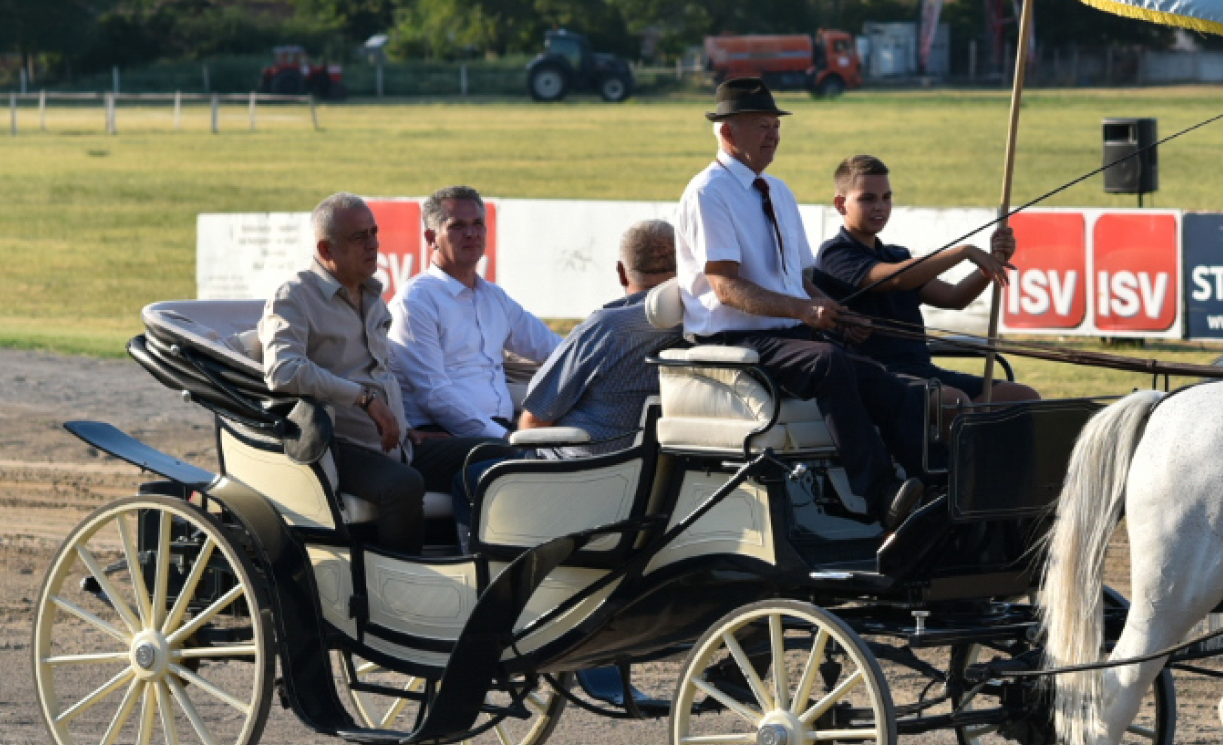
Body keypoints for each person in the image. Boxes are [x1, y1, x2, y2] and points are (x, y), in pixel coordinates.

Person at [676, 78, 930, 530]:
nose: (773, 135)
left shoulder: (779, 189)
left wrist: (835, 312)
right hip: (736, 337)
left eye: (776, 125)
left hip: (783, 331)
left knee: (888, 382)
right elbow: (725, 288)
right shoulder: (707, 192)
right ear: (728, 133)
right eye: (761, 126)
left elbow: (802, 279)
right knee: (830, 363)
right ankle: (881, 497)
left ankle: (930, 487)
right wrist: (803, 312)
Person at [259, 193, 475, 553]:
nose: (374, 244)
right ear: (326, 249)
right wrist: (363, 400)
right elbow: (282, 370)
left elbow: (381, 371)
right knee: (403, 485)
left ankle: (480, 564)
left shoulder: (372, 295)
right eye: (360, 237)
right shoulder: (294, 297)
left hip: (396, 442)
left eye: (374, 233)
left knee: (490, 453)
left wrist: (408, 426)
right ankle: (401, 593)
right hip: (338, 446)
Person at [814, 154, 1039, 406]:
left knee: (1024, 398)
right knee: (953, 402)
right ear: (840, 204)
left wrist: (992, 263)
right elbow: (897, 279)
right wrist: (964, 252)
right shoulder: (835, 254)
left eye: (886, 197)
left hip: (921, 372)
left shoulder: (897, 254)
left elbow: (955, 297)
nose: (880, 206)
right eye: (867, 198)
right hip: (874, 376)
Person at [389, 185, 563, 439]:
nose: (471, 234)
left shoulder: (494, 297)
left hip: (499, 431)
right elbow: (435, 396)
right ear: (430, 238)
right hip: (446, 436)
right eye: (457, 226)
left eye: (478, 224)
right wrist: (503, 439)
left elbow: (554, 348)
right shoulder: (415, 301)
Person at [517, 219, 683, 455]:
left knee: (469, 475)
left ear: (621, 273)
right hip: (653, 467)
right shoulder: (699, 323)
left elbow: (534, 422)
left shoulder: (607, 329)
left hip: (580, 469)